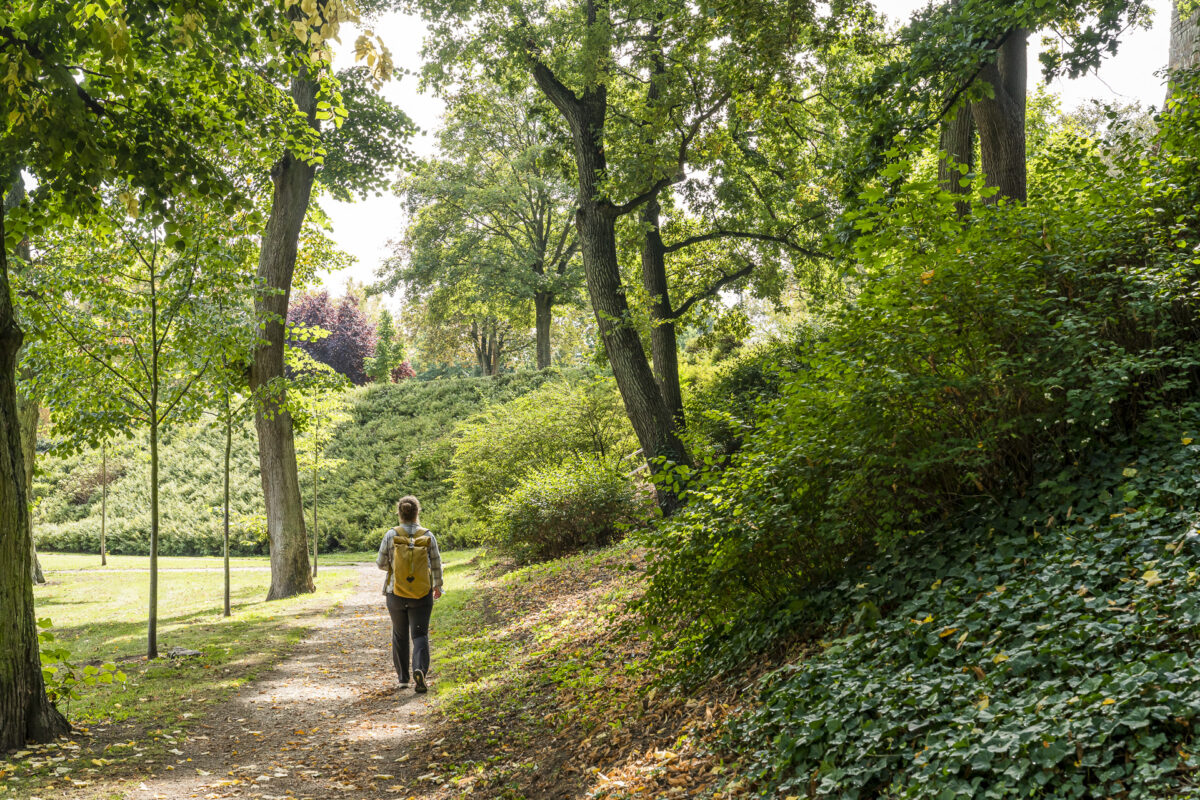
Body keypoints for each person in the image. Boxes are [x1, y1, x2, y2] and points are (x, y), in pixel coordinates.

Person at [377, 495, 443, 694]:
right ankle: (419, 670)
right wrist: (438, 586)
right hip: (422, 593)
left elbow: (381, 563)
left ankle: (403, 679)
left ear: (400, 513)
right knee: (420, 634)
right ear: (417, 512)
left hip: (395, 593)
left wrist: (395, 567)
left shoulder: (391, 535)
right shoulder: (428, 535)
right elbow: (437, 564)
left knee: (400, 634)